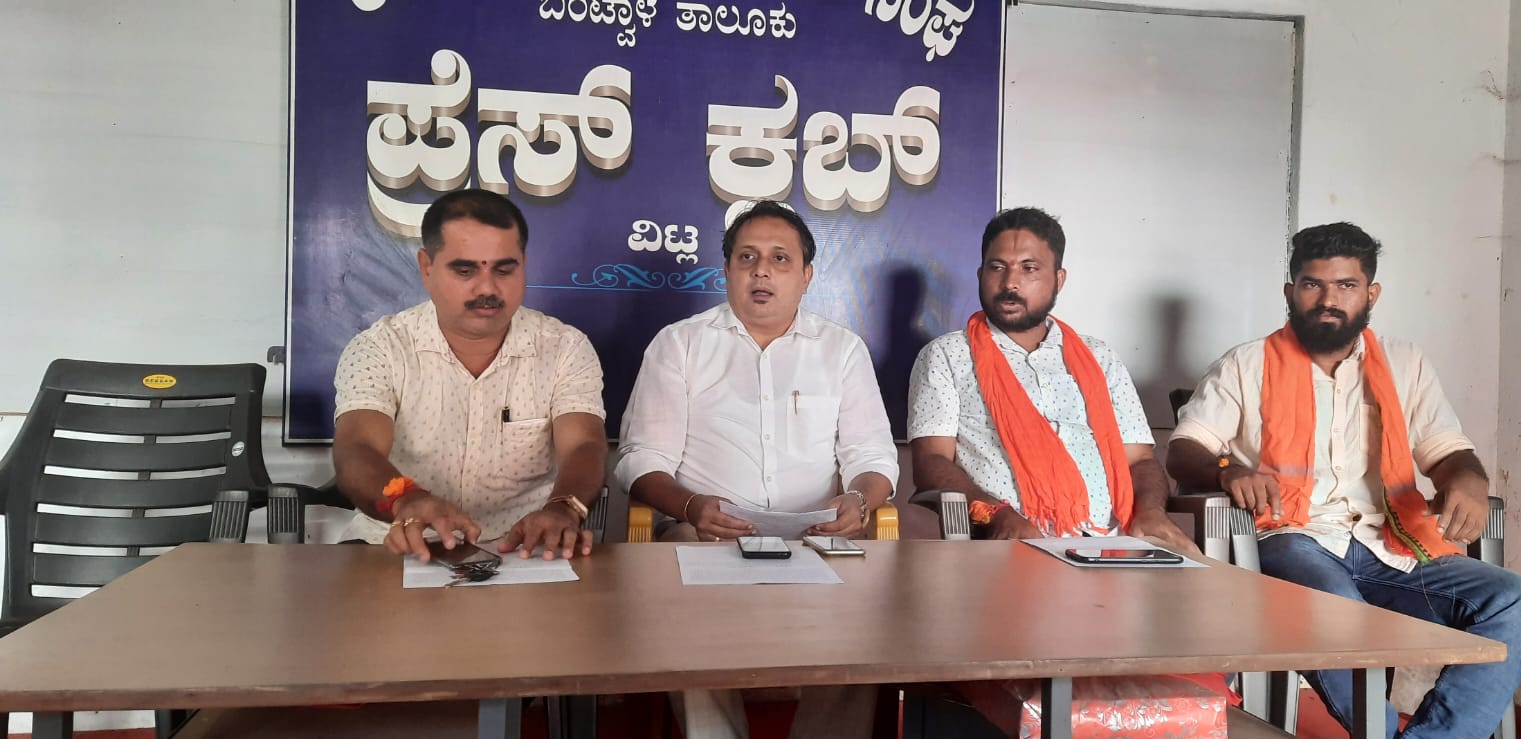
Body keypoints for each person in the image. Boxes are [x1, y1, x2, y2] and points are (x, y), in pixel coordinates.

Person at [1165, 222, 1521, 737]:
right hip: (1290, 537)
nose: (1328, 300)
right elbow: (1185, 451)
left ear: (1371, 293)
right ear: (1290, 291)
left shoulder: (1405, 363)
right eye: (1312, 284)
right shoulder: (1246, 364)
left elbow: (1448, 452)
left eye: (1346, 285)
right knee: (1335, 605)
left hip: (1393, 544)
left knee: (1520, 604)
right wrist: (1228, 469)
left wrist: (1468, 479)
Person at [614, 199, 897, 739]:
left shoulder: (841, 350)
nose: (762, 271)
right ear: (726, 270)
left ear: (807, 275)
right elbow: (641, 458)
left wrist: (860, 500)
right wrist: (690, 507)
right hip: (705, 535)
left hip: (818, 538)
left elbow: (873, 456)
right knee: (679, 599)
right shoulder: (680, 344)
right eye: (747, 257)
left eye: (779, 259)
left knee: (866, 611)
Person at [331, 188, 608, 561]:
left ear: (524, 264)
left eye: (504, 269)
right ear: (426, 267)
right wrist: (405, 499)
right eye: (464, 270)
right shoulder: (381, 348)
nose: (487, 288)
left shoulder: (565, 348)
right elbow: (356, 448)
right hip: (395, 540)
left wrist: (563, 508)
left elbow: (584, 445)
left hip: (524, 550)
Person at [907, 206, 1198, 553]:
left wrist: (1151, 512)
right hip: (1008, 544)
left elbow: (1139, 460)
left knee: (1209, 581)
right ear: (981, 274)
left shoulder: (1099, 357)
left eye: (1029, 268)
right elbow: (932, 462)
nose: (1010, 282)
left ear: (1059, 279)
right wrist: (997, 514)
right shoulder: (948, 355)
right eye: (997, 267)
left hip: (1110, 542)